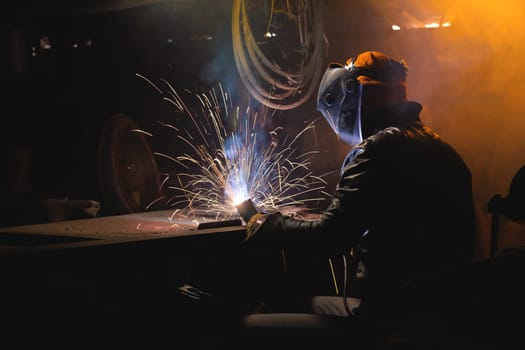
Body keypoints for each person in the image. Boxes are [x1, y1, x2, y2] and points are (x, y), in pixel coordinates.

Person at [237, 50, 477, 346]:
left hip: (390, 322)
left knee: (247, 326)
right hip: (440, 316)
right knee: (295, 302)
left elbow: (330, 236)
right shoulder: (441, 148)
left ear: (353, 97)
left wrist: (269, 225)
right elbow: (394, 215)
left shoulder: (376, 150)